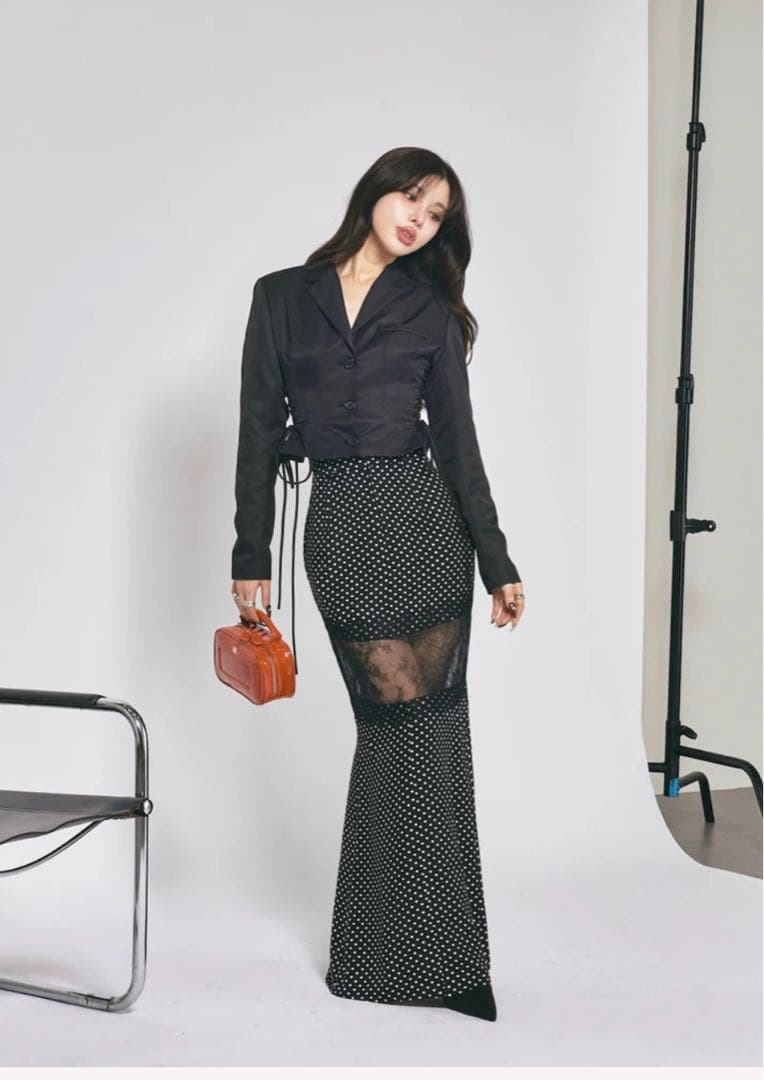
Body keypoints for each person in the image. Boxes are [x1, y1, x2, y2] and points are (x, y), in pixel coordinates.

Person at [230, 146, 526, 1022]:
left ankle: (448, 963)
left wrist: (498, 562)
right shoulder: (282, 297)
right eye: (412, 198)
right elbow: (256, 432)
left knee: (435, 731)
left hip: (425, 524)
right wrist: (250, 555)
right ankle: (380, 955)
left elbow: (461, 446)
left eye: (436, 216)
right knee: (393, 728)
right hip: (344, 530)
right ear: (375, 191)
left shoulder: (431, 311)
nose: (418, 221)